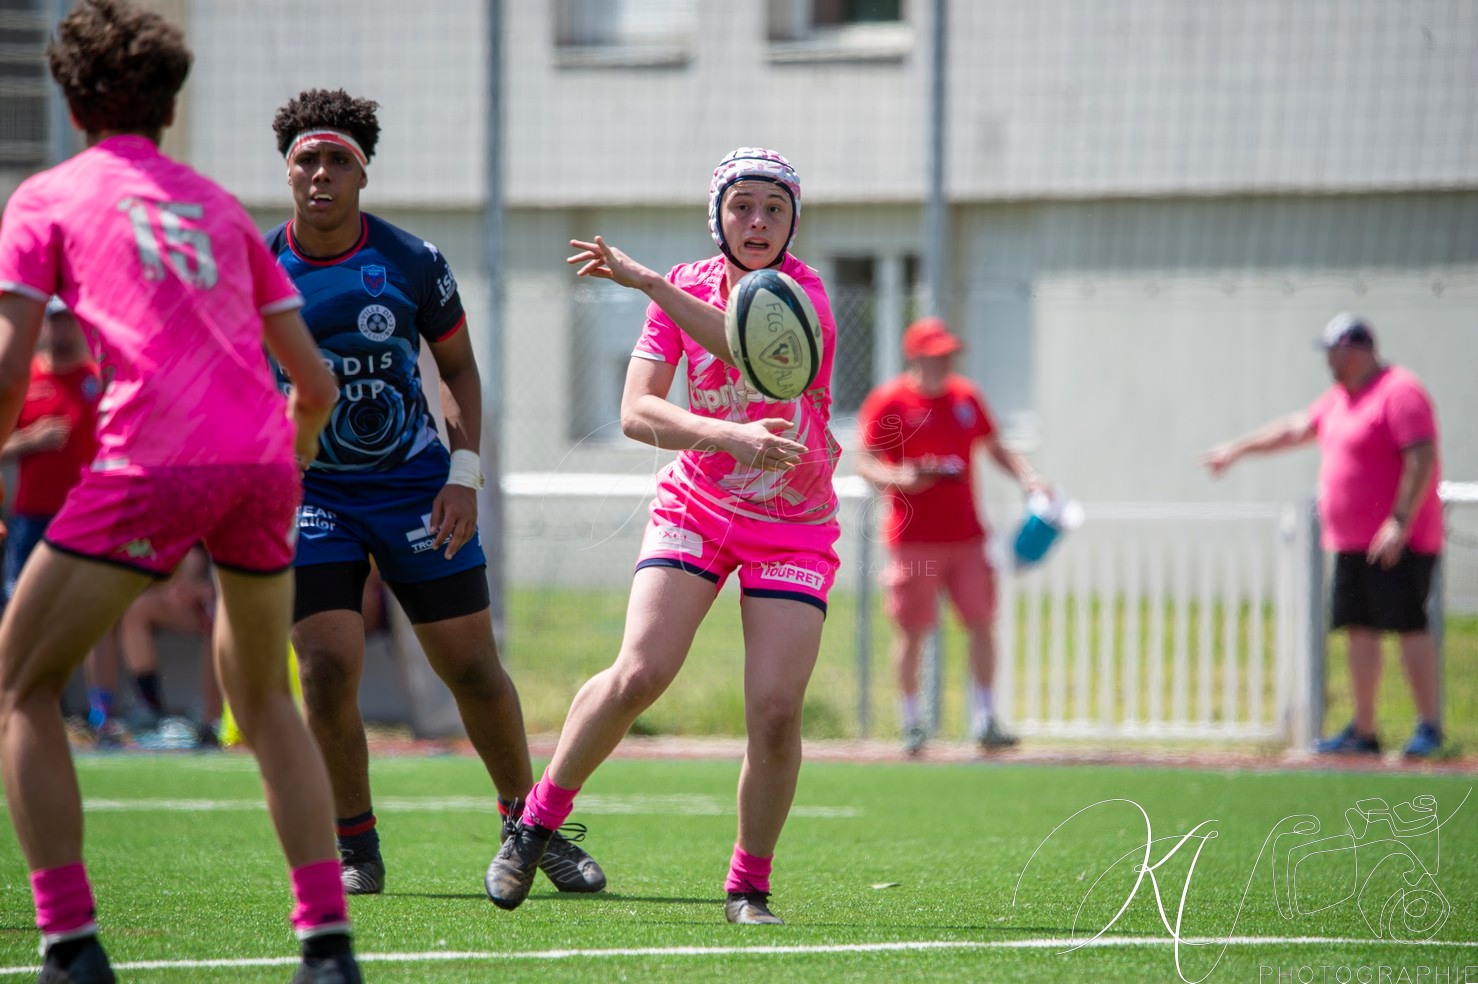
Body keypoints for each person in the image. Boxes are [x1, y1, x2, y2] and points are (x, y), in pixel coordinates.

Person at [0, 3, 359, 981]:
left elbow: (9, 365)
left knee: (22, 683)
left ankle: (71, 945)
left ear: (73, 103)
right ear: (168, 105)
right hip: (261, 465)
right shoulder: (219, 206)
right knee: (263, 698)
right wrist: (284, 466)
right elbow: (315, 384)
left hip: (149, 464)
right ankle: (327, 945)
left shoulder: (46, 197)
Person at [486, 148, 840, 926]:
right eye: (742, 205)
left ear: (792, 224)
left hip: (794, 520)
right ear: (717, 215)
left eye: (773, 210)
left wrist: (649, 283)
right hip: (699, 507)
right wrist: (724, 434)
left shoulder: (802, 293)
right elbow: (636, 412)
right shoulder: (681, 287)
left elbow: (756, 351)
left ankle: (748, 886)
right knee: (641, 673)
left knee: (777, 709)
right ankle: (535, 823)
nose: (757, 221)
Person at [266, 88, 604, 898]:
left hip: (419, 491)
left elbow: (457, 372)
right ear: (287, 171)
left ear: (362, 173)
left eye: (336, 160)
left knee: (473, 669)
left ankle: (531, 829)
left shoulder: (413, 261)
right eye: (306, 159)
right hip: (312, 494)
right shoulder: (257, 267)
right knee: (324, 667)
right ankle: (357, 849)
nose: (320, 173)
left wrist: (464, 474)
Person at [1201, 313, 1444, 759]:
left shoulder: (1400, 391)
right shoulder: (1339, 398)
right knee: (1360, 629)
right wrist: (1236, 450)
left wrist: (1399, 521)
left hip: (1399, 538)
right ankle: (1364, 730)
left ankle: (1429, 727)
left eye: (1335, 351)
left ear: (1357, 349)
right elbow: (1296, 429)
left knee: (1409, 626)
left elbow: (1421, 457)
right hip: (1352, 541)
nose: (1330, 361)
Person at [856, 317, 1051, 755]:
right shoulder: (890, 401)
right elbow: (865, 461)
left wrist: (1028, 478)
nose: (943, 363)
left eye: (947, 356)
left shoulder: (966, 397)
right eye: (934, 355)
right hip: (913, 539)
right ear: (915, 355)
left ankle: (985, 719)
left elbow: (996, 446)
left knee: (982, 623)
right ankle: (911, 723)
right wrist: (901, 478)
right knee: (912, 630)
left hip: (966, 537)